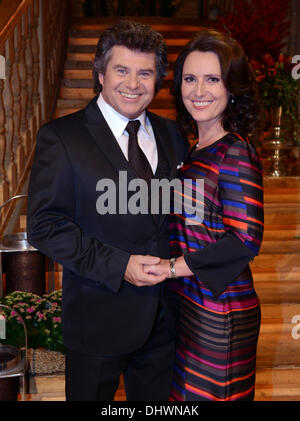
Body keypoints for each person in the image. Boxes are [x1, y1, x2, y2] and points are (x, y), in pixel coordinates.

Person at [26, 20, 188, 401]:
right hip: (97, 319)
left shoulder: (172, 135)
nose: (133, 84)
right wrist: (120, 265)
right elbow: (44, 226)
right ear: (100, 74)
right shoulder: (61, 137)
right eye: (121, 70)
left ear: (157, 79)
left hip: (165, 321)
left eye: (144, 73)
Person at [144, 28, 264, 401]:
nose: (199, 91)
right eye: (190, 79)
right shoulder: (197, 149)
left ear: (232, 88)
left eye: (213, 79)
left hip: (220, 310)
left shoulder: (235, 151)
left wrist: (171, 267)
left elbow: (245, 239)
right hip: (191, 303)